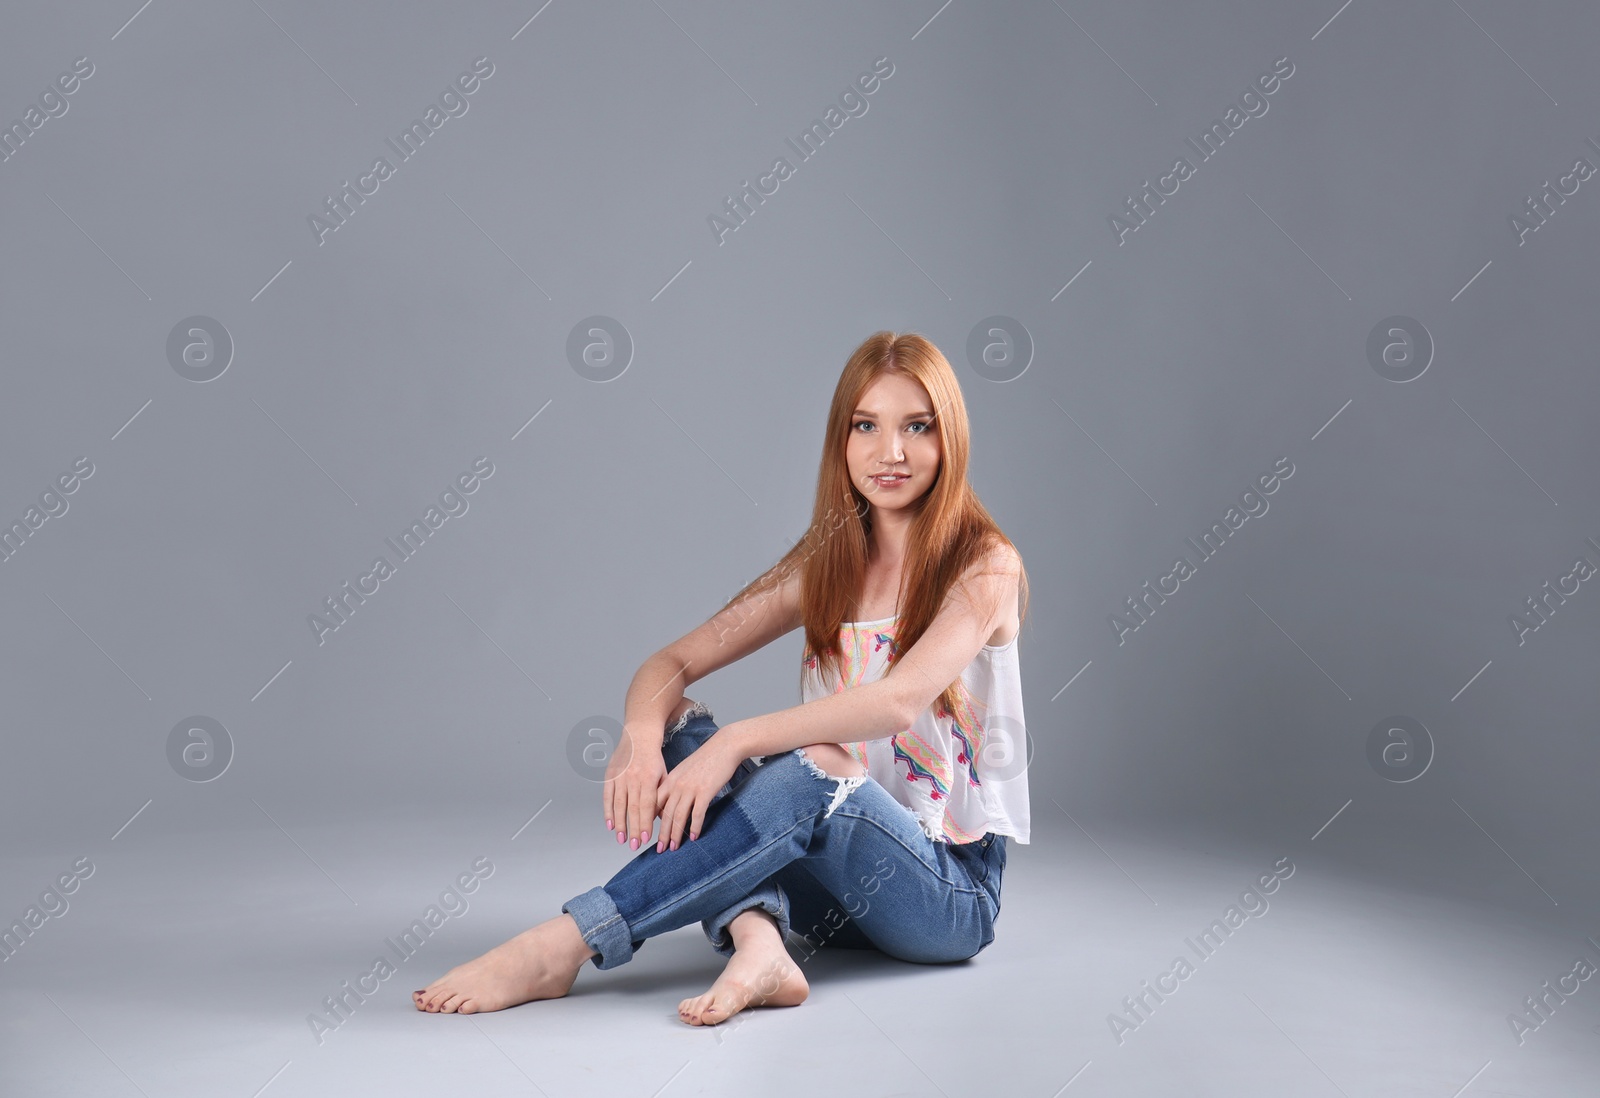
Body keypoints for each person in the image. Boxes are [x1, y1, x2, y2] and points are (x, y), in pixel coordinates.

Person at [414, 330, 1031, 1024]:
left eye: (917, 427)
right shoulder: (828, 564)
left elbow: (897, 702)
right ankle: (761, 943)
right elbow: (668, 664)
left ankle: (565, 943)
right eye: (867, 426)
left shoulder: (985, 565)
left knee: (808, 764)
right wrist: (642, 737)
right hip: (827, 893)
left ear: (951, 440)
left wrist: (736, 742)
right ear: (841, 439)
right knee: (682, 725)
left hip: (942, 897)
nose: (891, 452)